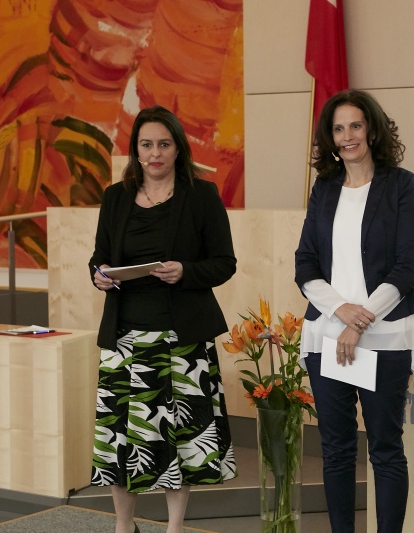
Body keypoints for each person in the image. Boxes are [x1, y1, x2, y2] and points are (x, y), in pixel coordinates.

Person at [89, 105, 237, 533]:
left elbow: (224, 263)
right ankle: (124, 526)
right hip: (124, 341)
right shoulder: (115, 197)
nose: (155, 153)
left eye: (164, 144)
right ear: (135, 150)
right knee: (120, 440)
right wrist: (99, 275)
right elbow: (100, 257)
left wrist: (185, 271)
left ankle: (174, 528)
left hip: (182, 340)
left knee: (183, 439)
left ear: (178, 148)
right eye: (146, 145)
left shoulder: (201, 195)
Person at [294, 89, 414, 533]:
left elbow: (407, 266)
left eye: (355, 125)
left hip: (384, 337)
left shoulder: (400, 184)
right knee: (336, 451)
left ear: (371, 129)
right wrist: (341, 311)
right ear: (329, 137)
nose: (347, 136)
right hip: (326, 335)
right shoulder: (324, 189)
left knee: (385, 449)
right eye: (338, 128)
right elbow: (305, 264)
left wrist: (360, 319)